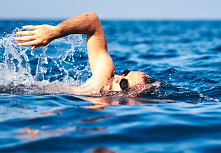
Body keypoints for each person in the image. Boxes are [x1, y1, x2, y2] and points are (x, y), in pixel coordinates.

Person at [14, 12, 156, 95]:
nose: (119, 77)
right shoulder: (105, 76)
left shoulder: (105, 109)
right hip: (24, 90)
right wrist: (55, 32)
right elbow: (93, 22)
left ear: (131, 96)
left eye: (124, 84)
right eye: (125, 73)